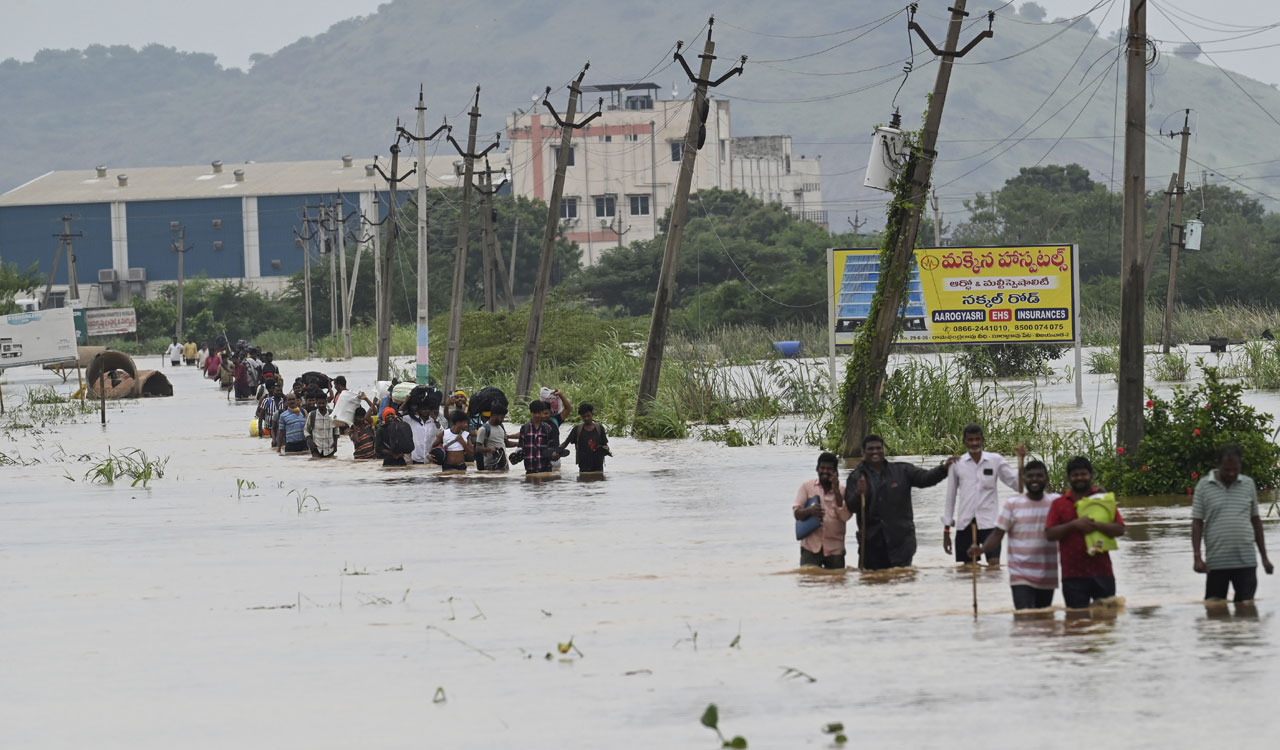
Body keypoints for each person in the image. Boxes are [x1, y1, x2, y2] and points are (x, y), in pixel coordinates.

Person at [845, 435, 957, 570]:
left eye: (878, 448)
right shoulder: (856, 477)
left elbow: (925, 479)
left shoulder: (902, 471)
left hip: (901, 542)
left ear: (883, 450)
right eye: (870, 449)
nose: (875, 452)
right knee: (873, 579)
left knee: (902, 578)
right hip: (871, 544)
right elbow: (851, 506)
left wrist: (944, 469)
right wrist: (859, 493)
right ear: (863, 452)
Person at [970, 460, 1060, 610]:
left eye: (1039, 476)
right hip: (1020, 574)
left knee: (1043, 617)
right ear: (1023, 479)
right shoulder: (1012, 504)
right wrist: (982, 549)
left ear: (1047, 479)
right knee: (1024, 615)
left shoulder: (1055, 502)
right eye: (1030, 476)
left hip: (1047, 574)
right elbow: (997, 534)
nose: (1035, 479)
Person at [1192, 444, 1274, 603]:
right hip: (1217, 560)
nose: (1231, 473)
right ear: (1218, 465)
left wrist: (1264, 558)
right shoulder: (1203, 486)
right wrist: (1197, 557)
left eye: (1235, 469)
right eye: (1227, 470)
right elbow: (1197, 523)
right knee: (1215, 607)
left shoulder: (1248, 484)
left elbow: (1256, 521)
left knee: (1247, 607)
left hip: (1247, 560)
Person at [1046, 456, 1126, 610]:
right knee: (1076, 620)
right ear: (1069, 478)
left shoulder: (1103, 500)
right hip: (1072, 575)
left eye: (1083, 474)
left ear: (1091, 476)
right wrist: (1074, 525)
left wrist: (1096, 525)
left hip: (1103, 572)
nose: (1079, 478)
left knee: (1107, 621)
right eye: (1075, 475)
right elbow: (1050, 534)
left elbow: (1120, 529)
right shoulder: (1059, 504)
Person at [942, 423, 1023, 566]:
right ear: (964, 441)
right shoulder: (957, 464)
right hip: (965, 524)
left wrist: (1021, 461)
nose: (974, 443)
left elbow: (1018, 486)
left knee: (994, 567)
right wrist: (946, 531)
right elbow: (950, 497)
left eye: (977, 439)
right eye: (970, 439)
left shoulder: (995, 460)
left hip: (989, 524)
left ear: (983, 440)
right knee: (968, 570)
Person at [794, 452, 851, 569]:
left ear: (835, 472)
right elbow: (797, 514)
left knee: (837, 579)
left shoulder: (843, 490)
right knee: (809, 578)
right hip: (810, 548)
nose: (825, 471)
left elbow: (845, 517)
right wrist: (809, 511)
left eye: (829, 469)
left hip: (835, 549)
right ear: (817, 469)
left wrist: (836, 492)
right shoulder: (807, 486)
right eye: (822, 468)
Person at [560, 403, 610, 473]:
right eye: (583, 417)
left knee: (599, 479)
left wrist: (605, 451)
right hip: (583, 465)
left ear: (592, 414)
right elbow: (565, 443)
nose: (586, 418)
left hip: (598, 464)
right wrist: (556, 451)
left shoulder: (599, 428)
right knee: (583, 479)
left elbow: (605, 444)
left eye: (588, 416)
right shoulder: (577, 430)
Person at [518, 399, 563, 474]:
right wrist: (517, 454)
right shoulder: (525, 428)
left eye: (539, 413)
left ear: (542, 412)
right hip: (530, 469)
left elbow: (551, 447)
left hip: (546, 468)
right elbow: (520, 446)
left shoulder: (547, 428)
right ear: (531, 413)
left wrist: (555, 455)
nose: (537, 415)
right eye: (534, 413)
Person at [476, 404, 517, 471]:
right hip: (490, 465)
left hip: (503, 464)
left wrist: (520, 443)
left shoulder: (501, 427)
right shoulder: (484, 429)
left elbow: (507, 443)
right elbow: (478, 448)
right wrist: (489, 449)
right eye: (501, 417)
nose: (502, 420)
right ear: (494, 415)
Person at [407, 398, 444, 465]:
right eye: (423, 409)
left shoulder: (435, 422)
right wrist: (407, 399)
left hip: (431, 459)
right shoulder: (411, 420)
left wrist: (434, 418)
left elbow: (442, 433)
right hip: (416, 460)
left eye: (427, 409)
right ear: (419, 410)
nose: (426, 411)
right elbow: (399, 413)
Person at [305, 392, 340, 458]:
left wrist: (335, 443)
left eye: (323, 403)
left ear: (326, 402)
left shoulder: (332, 414)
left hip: (329, 448)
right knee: (316, 463)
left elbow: (336, 429)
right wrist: (310, 441)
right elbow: (306, 430)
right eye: (319, 403)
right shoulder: (312, 415)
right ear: (316, 403)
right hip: (316, 448)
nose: (321, 405)